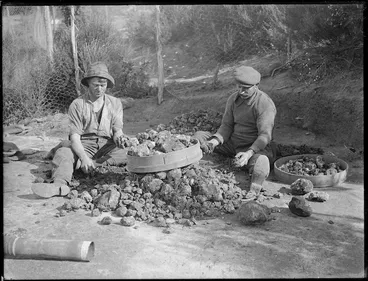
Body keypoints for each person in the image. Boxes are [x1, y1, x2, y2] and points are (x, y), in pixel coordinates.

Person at [32, 62, 128, 198]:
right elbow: (75, 138)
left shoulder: (115, 103)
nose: (99, 89)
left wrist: (120, 138)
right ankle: (59, 185)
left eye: (103, 85)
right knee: (64, 152)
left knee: (129, 152)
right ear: (88, 84)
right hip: (84, 144)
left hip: (107, 145)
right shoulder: (77, 105)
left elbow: (117, 129)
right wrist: (83, 156)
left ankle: (88, 165)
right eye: (96, 85)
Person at [194, 66, 277, 196]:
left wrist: (248, 153)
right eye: (238, 87)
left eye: (245, 88)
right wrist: (214, 142)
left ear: (257, 85)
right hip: (233, 143)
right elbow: (226, 126)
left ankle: (255, 186)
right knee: (199, 137)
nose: (241, 91)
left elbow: (264, 136)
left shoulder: (264, 104)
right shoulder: (233, 99)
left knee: (261, 163)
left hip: (254, 147)